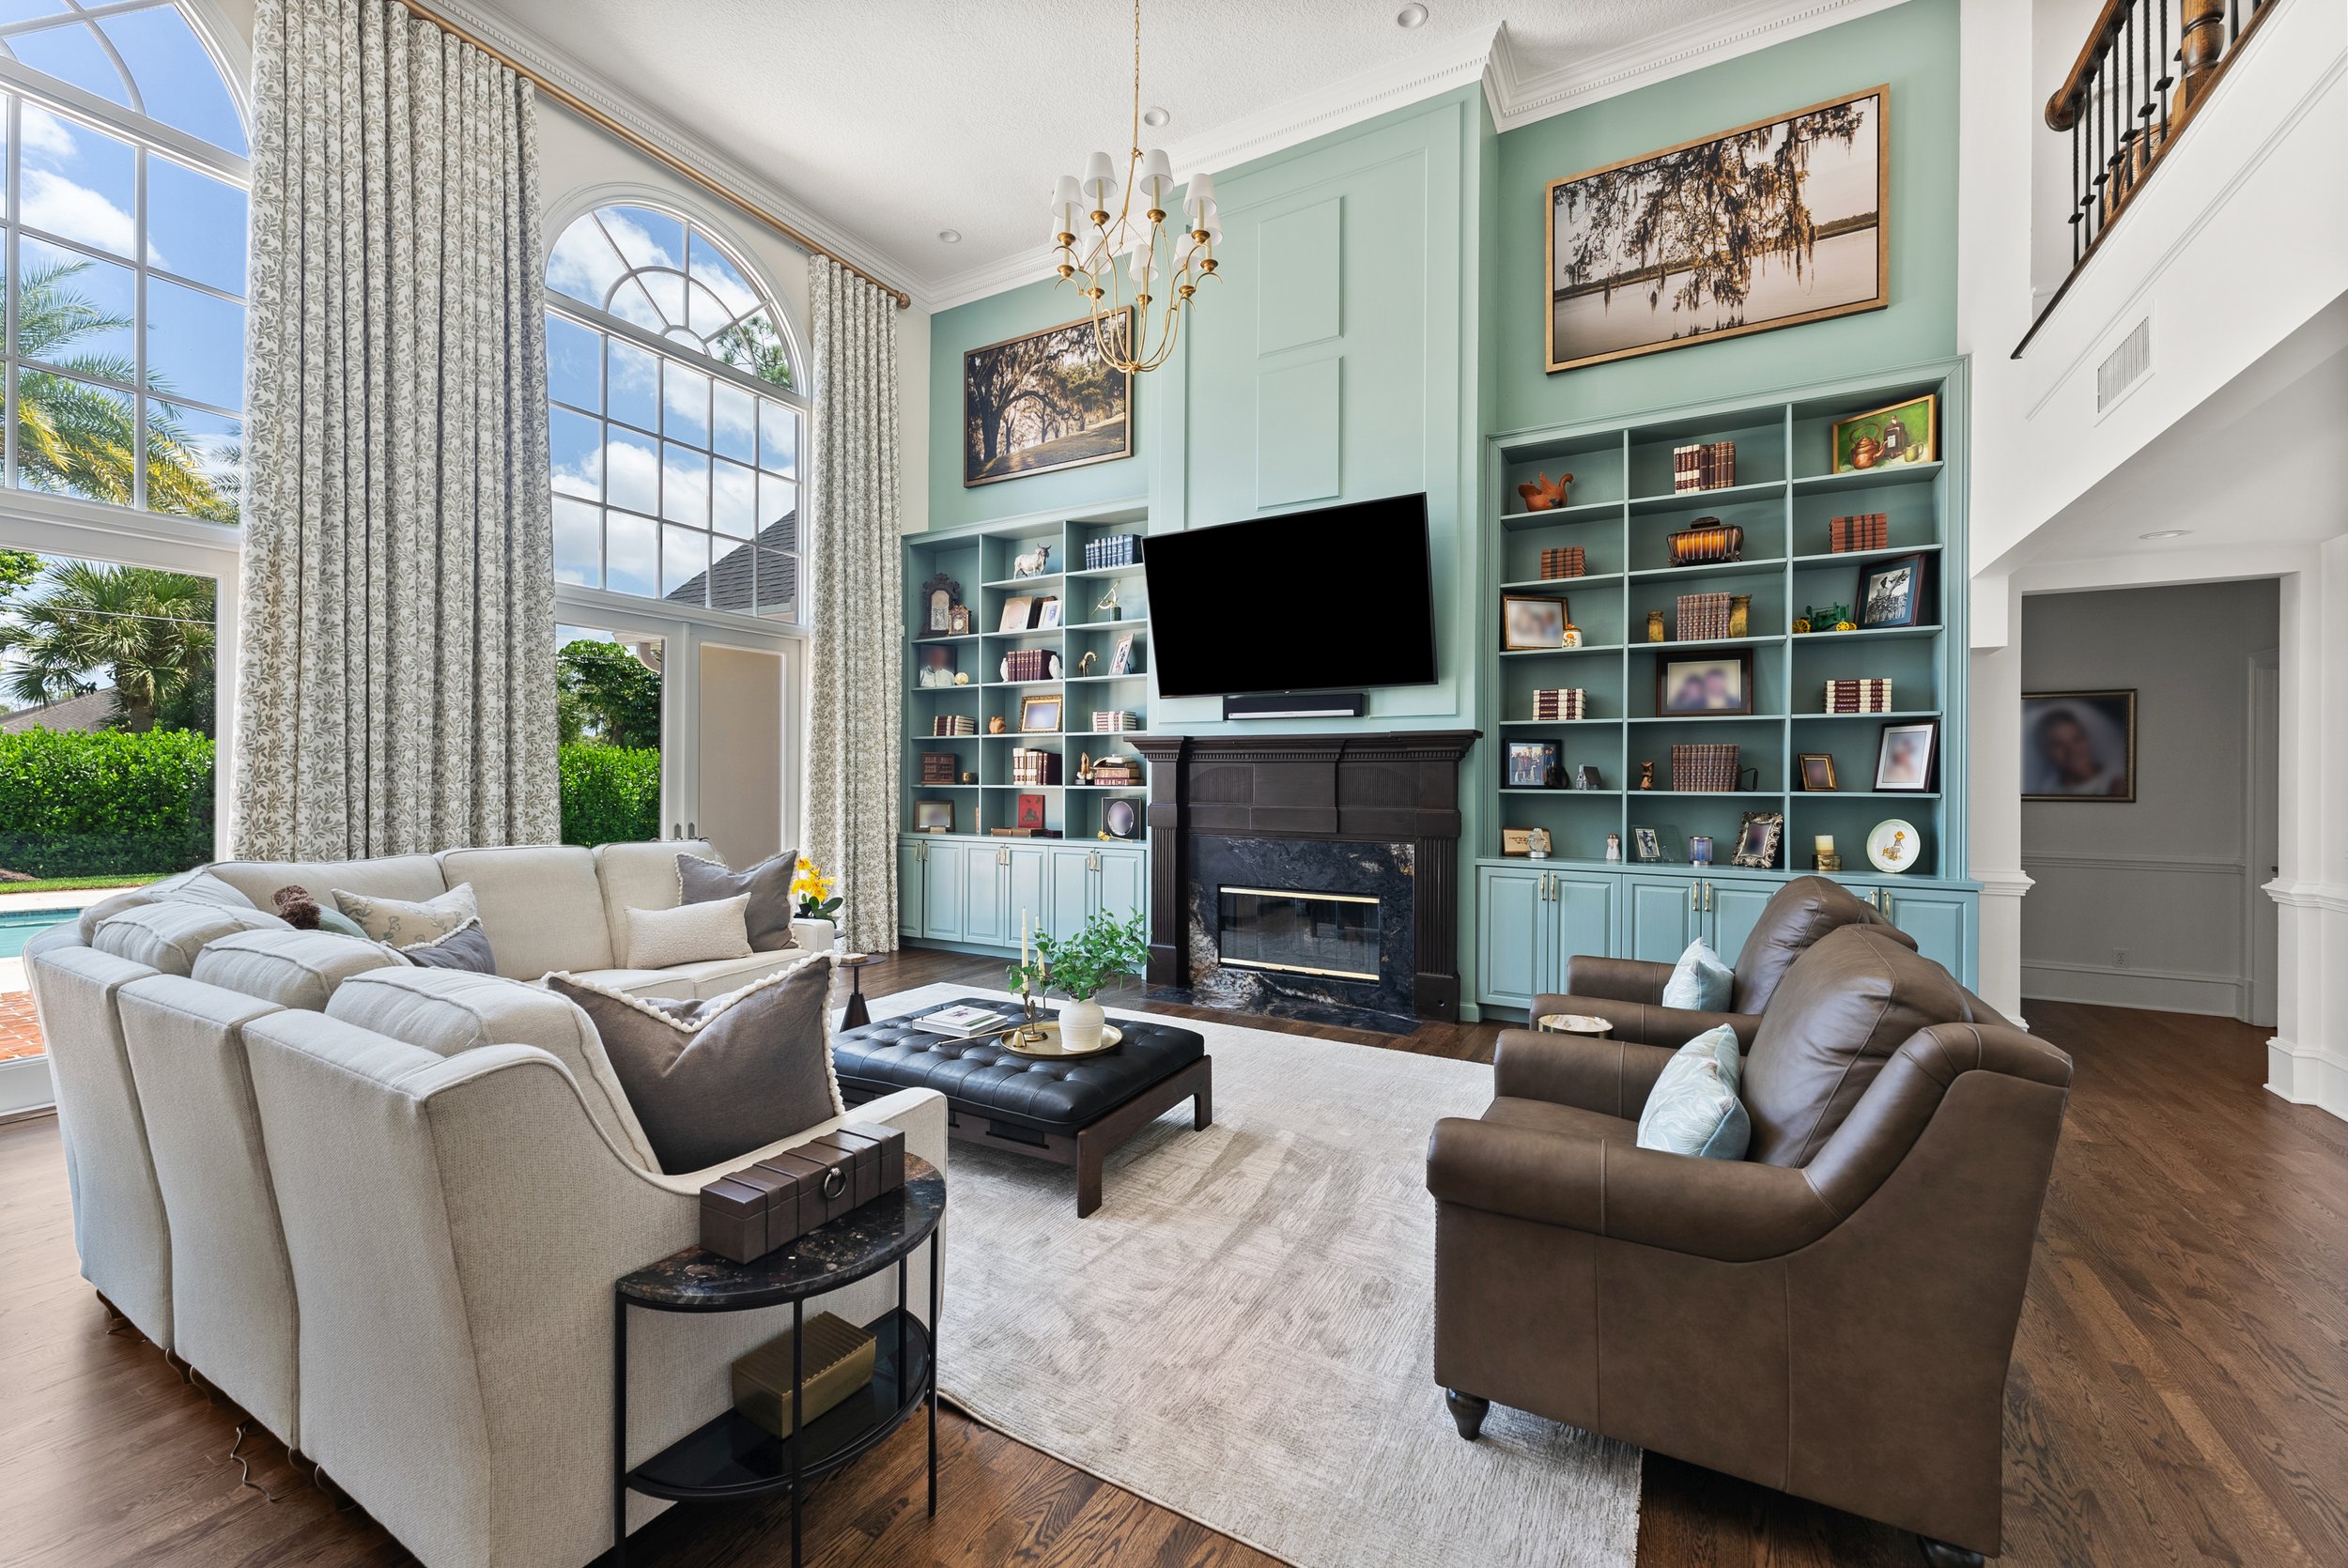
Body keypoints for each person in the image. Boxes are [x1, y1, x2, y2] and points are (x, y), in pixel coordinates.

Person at [2030, 705, 2128, 795]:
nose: (2072, 750)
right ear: (2046, 750)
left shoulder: (2116, 783)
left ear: (2088, 739)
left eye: (2077, 739)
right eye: (2058, 744)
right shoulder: (2048, 787)